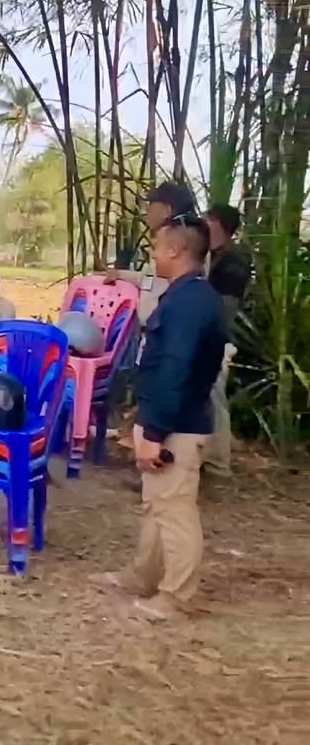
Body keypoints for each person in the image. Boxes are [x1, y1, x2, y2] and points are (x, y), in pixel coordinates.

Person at [91, 216, 227, 620]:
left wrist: (154, 430)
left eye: (156, 246)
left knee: (175, 509)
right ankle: (143, 576)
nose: (153, 254)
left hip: (177, 425)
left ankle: (176, 596)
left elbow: (175, 369)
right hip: (166, 418)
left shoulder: (191, 302)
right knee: (157, 504)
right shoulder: (185, 294)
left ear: (176, 250)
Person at [202, 204, 250, 476]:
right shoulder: (213, 255)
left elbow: (227, 306)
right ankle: (207, 455)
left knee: (215, 395)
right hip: (207, 333)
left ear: (218, 224)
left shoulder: (233, 261)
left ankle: (219, 461)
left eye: (208, 220)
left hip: (217, 336)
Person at [107, 180, 196, 323]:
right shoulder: (164, 242)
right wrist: (118, 274)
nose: (147, 211)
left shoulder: (184, 243)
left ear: (167, 210)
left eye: (152, 205)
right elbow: (149, 279)